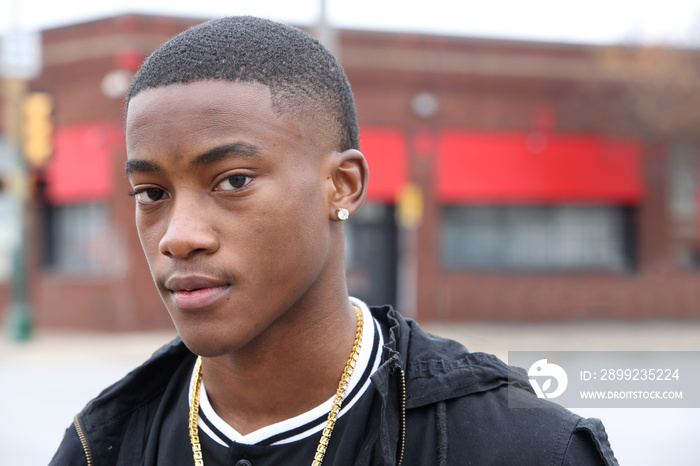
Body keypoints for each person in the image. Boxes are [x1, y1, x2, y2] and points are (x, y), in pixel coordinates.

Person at [50, 16, 618, 465]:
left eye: (234, 181)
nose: (179, 237)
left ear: (341, 186)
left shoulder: (521, 447)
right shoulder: (101, 446)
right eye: (151, 193)